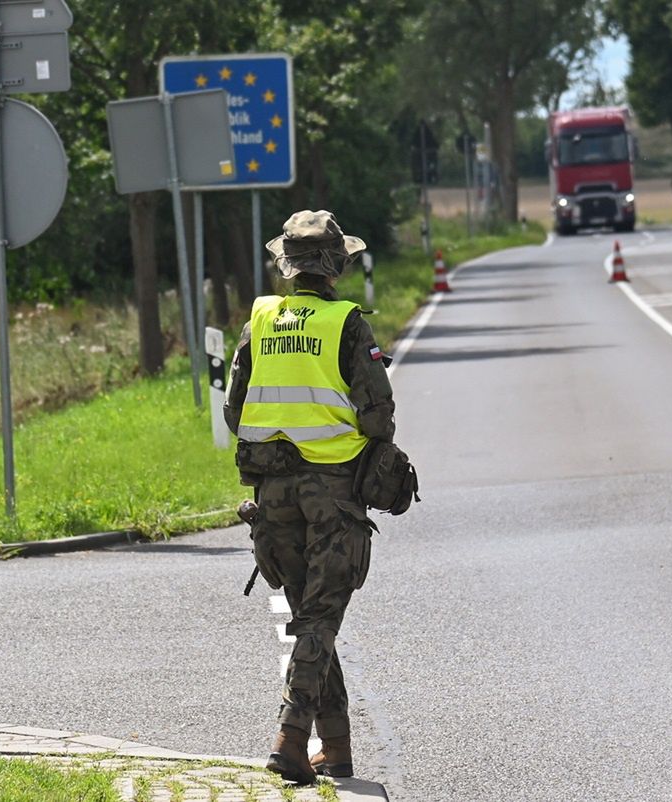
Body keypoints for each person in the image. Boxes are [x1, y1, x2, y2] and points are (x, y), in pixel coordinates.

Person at [224, 210, 396, 784]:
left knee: (310, 617)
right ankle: (291, 738)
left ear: (288, 266)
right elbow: (379, 415)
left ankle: (338, 749)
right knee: (320, 619)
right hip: (332, 494)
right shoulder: (347, 324)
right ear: (338, 265)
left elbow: (234, 407)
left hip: (272, 495)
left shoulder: (261, 319)